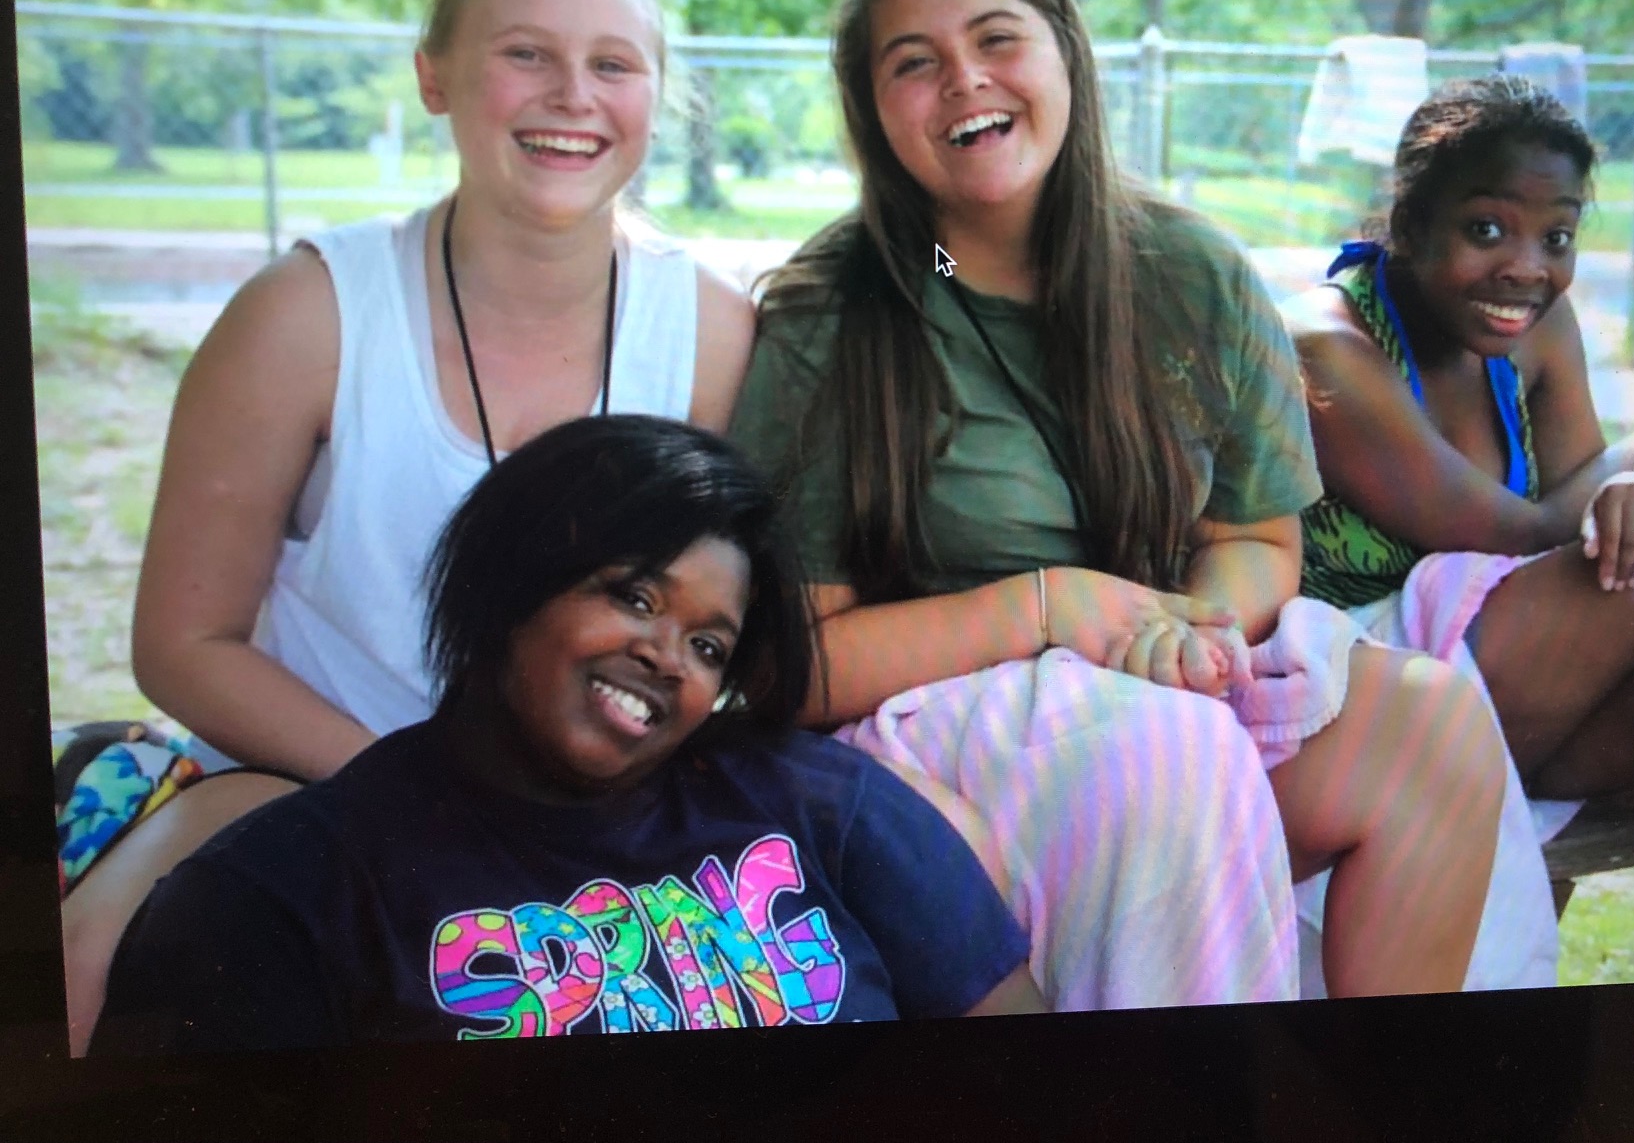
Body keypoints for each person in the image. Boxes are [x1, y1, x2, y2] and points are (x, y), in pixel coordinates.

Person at [730, 0, 1509, 1008]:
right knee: (1160, 758)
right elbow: (791, 667)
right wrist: (1051, 609)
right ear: (873, 110)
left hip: (1156, 684)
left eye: (996, 38)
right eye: (913, 62)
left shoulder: (1189, 272)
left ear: (1066, 55)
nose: (964, 80)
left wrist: (1186, 630)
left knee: (1431, 726)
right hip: (936, 730)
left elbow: (1255, 539)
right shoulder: (841, 310)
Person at [61, 0, 755, 1052]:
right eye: (525, 53)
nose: (573, 95)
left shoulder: (719, 334)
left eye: (614, 64)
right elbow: (185, 643)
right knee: (90, 974)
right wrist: (417, 797)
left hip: (590, 817)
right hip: (304, 777)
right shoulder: (307, 312)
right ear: (435, 76)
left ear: (656, 97)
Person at [91, 416, 1041, 1053]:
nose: (668, 658)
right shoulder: (283, 892)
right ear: (512, 579)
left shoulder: (821, 803)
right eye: (635, 597)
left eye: (709, 645)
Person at [1285, 76, 1634, 978]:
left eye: (1556, 236)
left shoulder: (1539, 325)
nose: (1527, 266)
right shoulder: (1328, 347)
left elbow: (1594, 525)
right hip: (1363, 694)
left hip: (1508, 685)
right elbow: (1511, 536)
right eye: (1487, 229)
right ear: (1409, 224)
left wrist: (1630, 483)